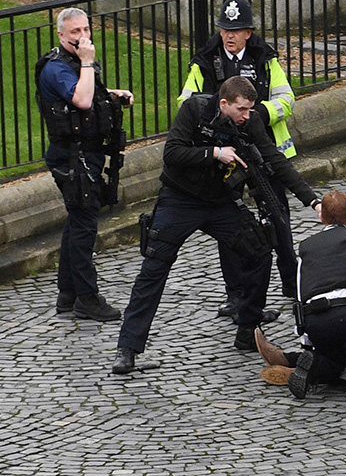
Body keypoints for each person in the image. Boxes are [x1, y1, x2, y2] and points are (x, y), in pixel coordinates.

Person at [111, 76, 320, 374]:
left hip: (221, 202)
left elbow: (275, 160)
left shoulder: (250, 122)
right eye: (242, 110)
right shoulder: (194, 111)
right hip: (180, 199)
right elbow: (172, 153)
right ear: (224, 104)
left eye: (250, 110)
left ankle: (248, 328)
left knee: (260, 249)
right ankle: (127, 349)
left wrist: (312, 201)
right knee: (154, 268)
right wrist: (213, 153)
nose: (247, 116)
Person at [179, 0, 300, 315]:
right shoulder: (205, 59)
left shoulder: (264, 57)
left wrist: (258, 114)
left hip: (262, 151)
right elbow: (187, 102)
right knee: (228, 227)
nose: (229, 35)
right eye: (224, 29)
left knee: (278, 218)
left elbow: (286, 98)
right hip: (225, 157)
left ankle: (292, 282)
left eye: (236, 29)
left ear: (249, 32)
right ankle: (235, 294)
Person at [36, 7, 133, 322]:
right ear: (61, 35)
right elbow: (81, 100)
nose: (82, 37)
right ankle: (87, 299)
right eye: (75, 32)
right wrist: (89, 61)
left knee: (77, 221)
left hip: (84, 155)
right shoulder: (57, 68)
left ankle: (68, 295)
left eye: (86, 30)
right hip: (72, 158)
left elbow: (90, 94)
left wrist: (114, 94)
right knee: (84, 227)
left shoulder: (77, 63)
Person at [286, 190, 346, 398]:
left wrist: (306, 343)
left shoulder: (306, 247)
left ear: (321, 218)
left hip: (315, 322)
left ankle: (316, 364)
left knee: (337, 359)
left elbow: (300, 293)